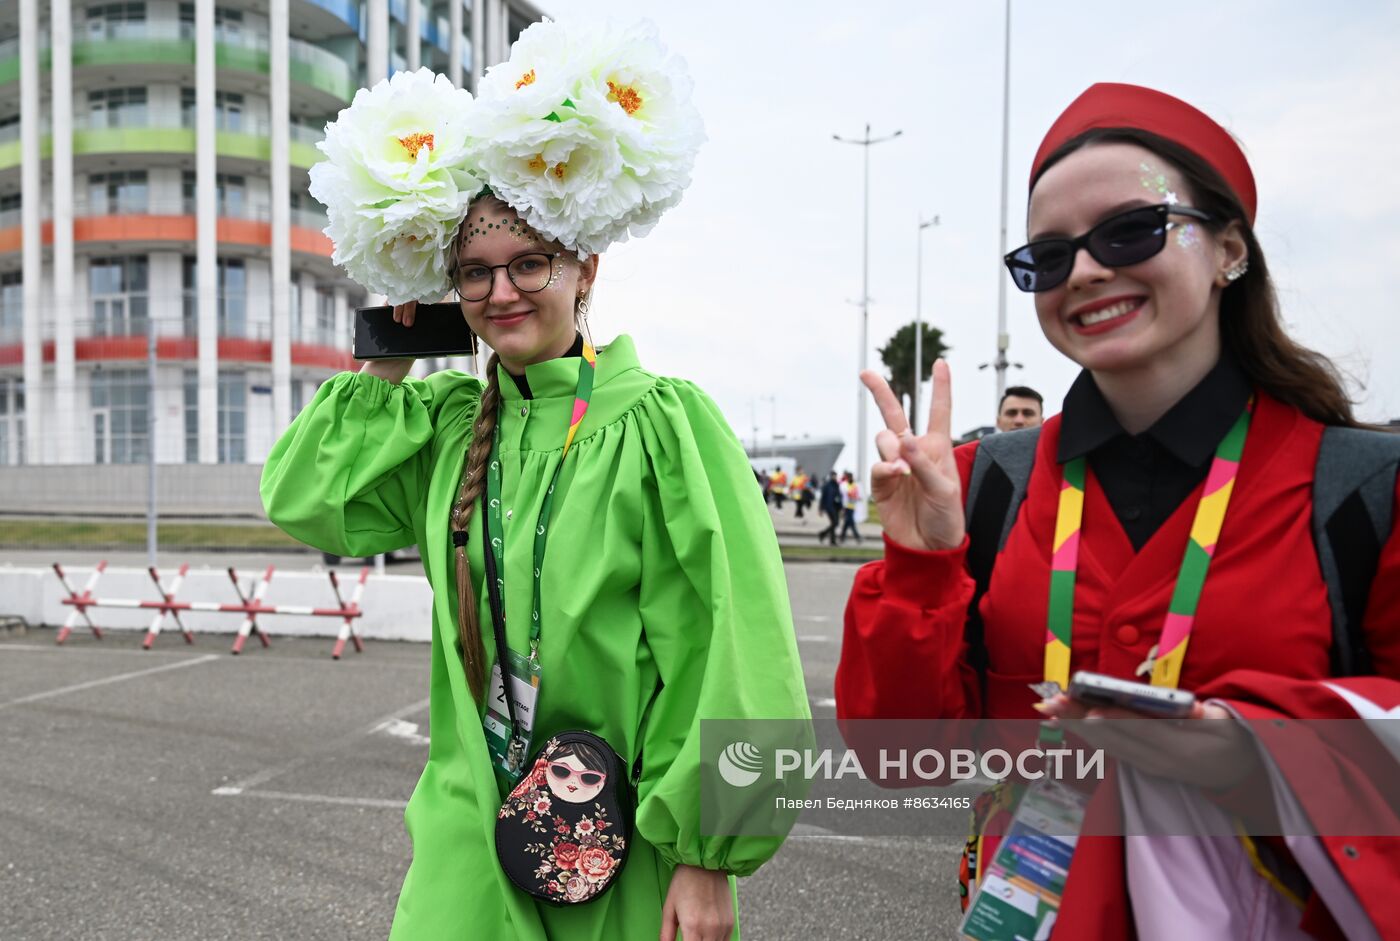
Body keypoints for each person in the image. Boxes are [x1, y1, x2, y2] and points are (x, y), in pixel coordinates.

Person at [264, 20, 809, 941]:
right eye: (472, 274)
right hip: (466, 840)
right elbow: (309, 501)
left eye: (528, 263)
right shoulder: (444, 429)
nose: (501, 293)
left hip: (619, 840)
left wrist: (708, 858)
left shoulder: (663, 425)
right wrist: (390, 355)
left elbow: (732, 653)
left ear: (584, 268)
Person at [836, 82, 1400, 938]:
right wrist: (920, 566)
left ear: (1228, 250)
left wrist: (1257, 752)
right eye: (1049, 256)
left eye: (1131, 230)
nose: (1088, 270)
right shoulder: (983, 485)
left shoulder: (1365, 489)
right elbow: (894, 756)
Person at [817, 471, 842, 546]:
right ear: (831, 476)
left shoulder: (836, 485)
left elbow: (839, 497)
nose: (834, 477)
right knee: (835, 523)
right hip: (829, 507)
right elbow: (822, 498)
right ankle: (825, 535)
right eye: (833, 476)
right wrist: (820, 509)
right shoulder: (827, 485)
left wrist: (841, 507)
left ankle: (827, 537)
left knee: (834, 524)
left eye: (835, 476)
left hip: (836, 507)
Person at [837, 471, 861, 545]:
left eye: (850, 477)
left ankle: (842, 537)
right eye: (848, 477)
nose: (850, 478)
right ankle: (857, 537)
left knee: (848, 522)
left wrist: (857, 497)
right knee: (850, 522)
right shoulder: (844, 485)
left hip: (852, 506)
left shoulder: (854, 485)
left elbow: (856, 495)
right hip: (846, 506)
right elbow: (842, 495)